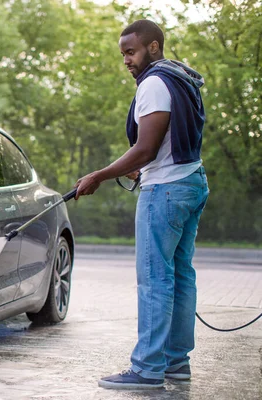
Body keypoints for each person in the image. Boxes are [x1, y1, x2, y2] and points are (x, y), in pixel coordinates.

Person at [73, 19, 210, 389]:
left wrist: (98, 176)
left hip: (165, 192)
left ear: (153, 47)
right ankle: (176, 363)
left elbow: (145, 148)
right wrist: (139, 168)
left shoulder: (153, 82)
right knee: (180, 276)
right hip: (190, 182)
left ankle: (148, 369)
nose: (126, 60)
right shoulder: (180, 77)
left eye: (130, 52)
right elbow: (164, 144)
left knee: (155, 280)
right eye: (123, 54)